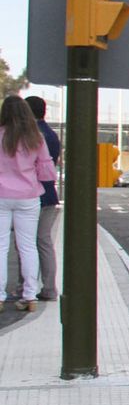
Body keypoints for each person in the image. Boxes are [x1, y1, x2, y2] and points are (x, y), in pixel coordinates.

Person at [0, 95, 58, 312]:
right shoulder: (36, 137)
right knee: (28, 246)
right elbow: (47, 171)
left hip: (1, 196)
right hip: (29, 196)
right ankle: (30, 295)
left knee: (1, 246)